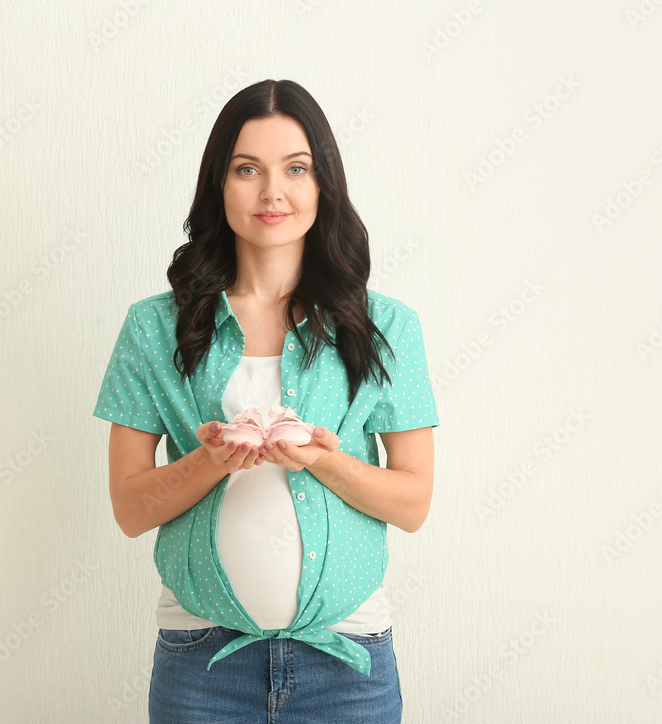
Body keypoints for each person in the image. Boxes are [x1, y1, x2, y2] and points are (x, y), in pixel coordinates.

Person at [93, 79, 439, 723]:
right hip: (202, 667)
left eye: (296, 168)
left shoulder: (387, 326)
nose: (272, 192)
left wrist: (323, 461)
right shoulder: (153, 328)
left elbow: (413, 503)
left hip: (349, 663)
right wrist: (214, 459)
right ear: (218, 184)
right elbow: (129, 509)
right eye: (247, 169)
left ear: (323, 184)